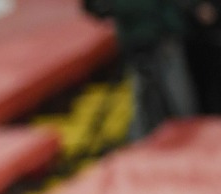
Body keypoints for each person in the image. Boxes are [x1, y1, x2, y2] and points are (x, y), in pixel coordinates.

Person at [82, 0, 198, 140]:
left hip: (159, 33)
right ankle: (146, 137)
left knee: (174, 91)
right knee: (146, 92)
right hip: (140, 35)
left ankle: (189, 135)